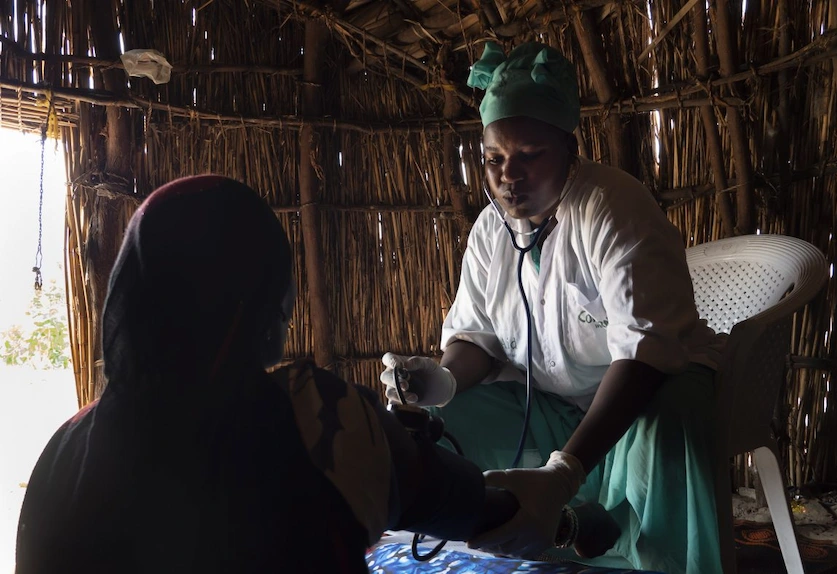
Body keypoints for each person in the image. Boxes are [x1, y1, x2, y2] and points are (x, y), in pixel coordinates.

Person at [15, 175, 534, 574]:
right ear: (266, 312)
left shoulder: (64, 447)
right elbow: (471, 507)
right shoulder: (318, 419)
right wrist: (568, 516)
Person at [380, 42, 726, 574]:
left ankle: (620, 538)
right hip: (551, 401)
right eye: (494, 159)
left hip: (647, 393)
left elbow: (644, 355)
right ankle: (548, 525)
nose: (507, 176)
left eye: (529, 155)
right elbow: (476, 338)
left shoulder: (613, 207)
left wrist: (565, 470)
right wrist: (440, 382)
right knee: (430, 424)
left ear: (569, 147)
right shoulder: (491, 229)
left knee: (671, 418)